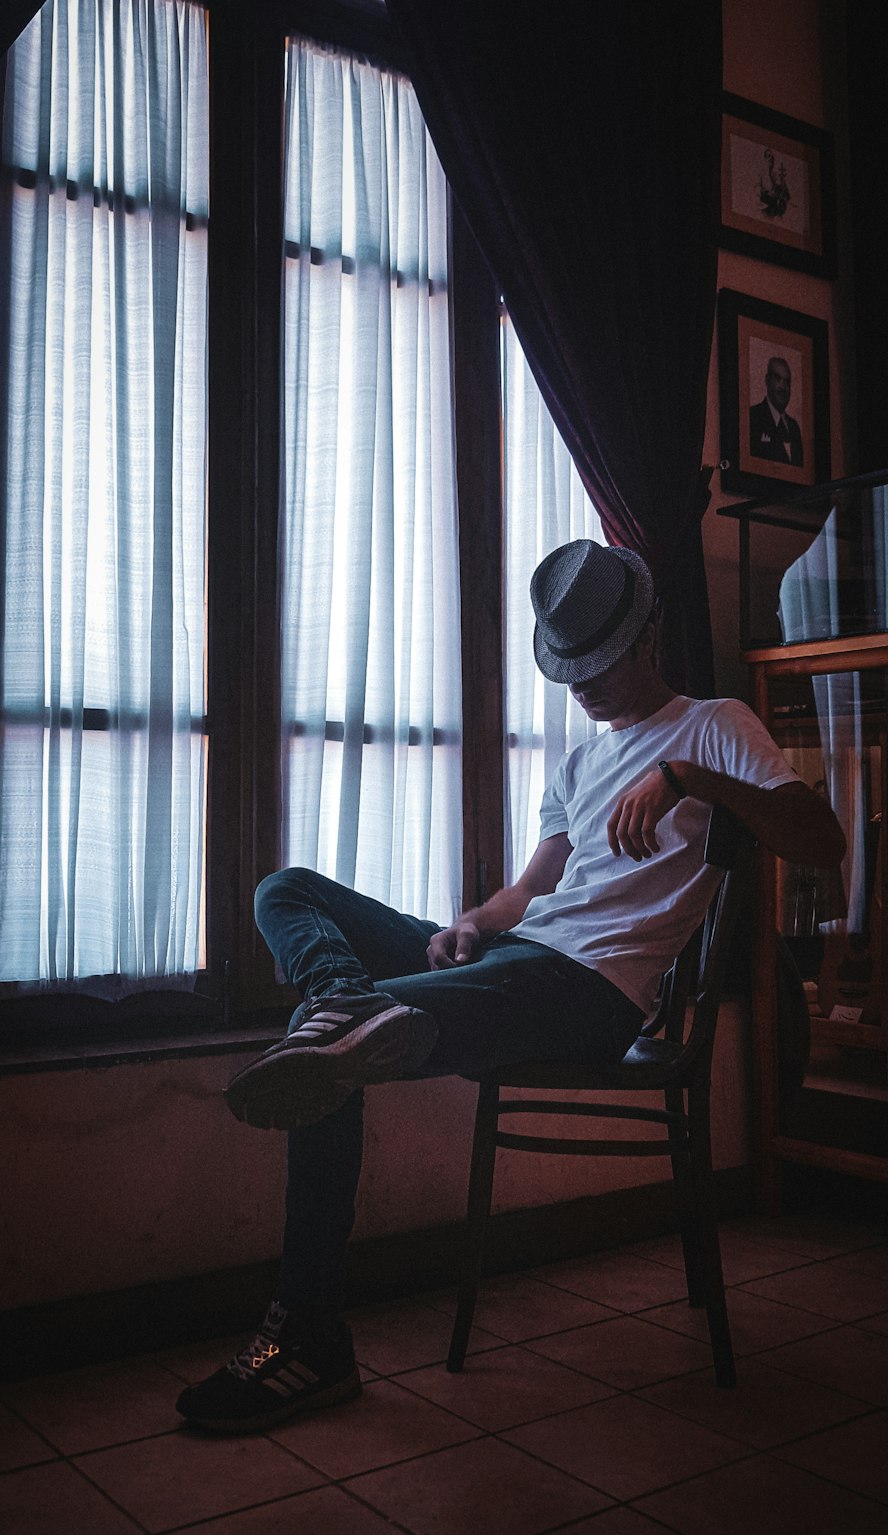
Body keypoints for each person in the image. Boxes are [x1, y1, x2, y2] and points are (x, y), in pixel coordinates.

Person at [175, 539, 844, 1435]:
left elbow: (820, 839)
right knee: (285, 890)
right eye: (569, 670)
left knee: (318, 1042)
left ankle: (308, 1336)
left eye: (598, 665)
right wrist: (473, 924)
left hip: (591, 993)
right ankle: (348, 999)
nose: (584, 687)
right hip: (514, 957)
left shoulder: (715, 724)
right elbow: (531, 890)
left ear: (648, 636)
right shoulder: (576, 764)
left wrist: (690, 779)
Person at [748, 356, 804, 466]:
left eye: (787, 382)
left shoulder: (794, 427)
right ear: (767, 380)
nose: (783, 387)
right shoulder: (753, 417)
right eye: (778, 379)